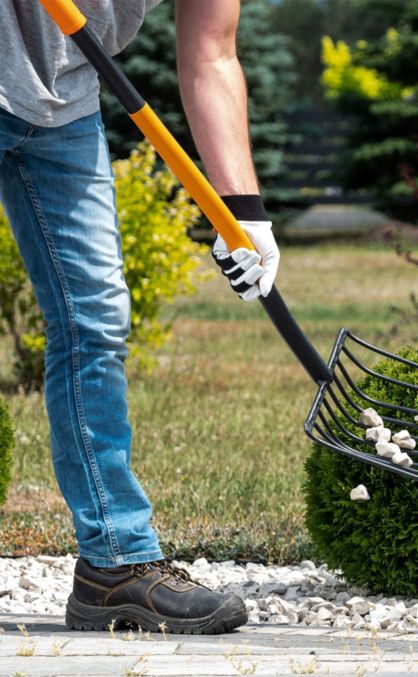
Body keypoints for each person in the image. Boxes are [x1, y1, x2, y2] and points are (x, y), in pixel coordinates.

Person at [0, 0, 280, 634]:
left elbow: (211, 51)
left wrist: (242, 209)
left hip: (64, 104)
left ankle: (114, 566)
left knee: (94, 321)